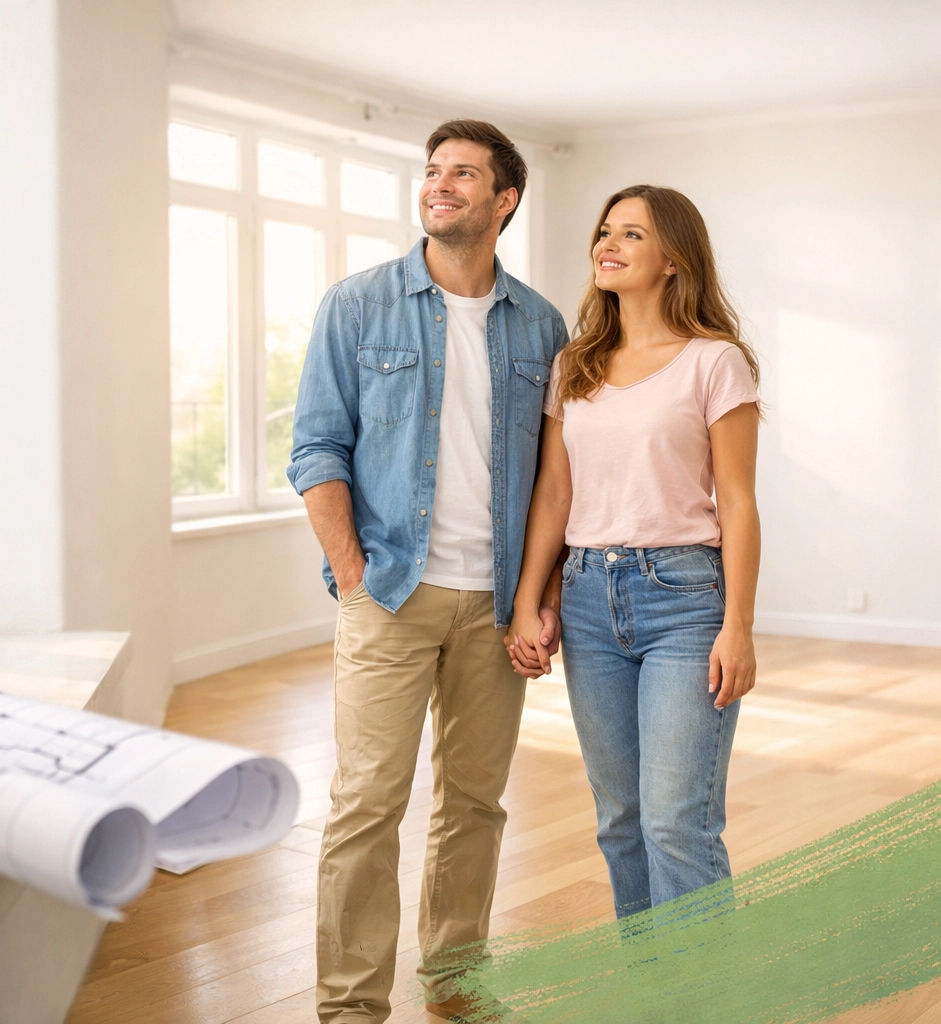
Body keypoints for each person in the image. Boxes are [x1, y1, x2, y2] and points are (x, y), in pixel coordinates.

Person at [287, 119, 567, 1023]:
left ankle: (456, 982)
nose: (440, 184)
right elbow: (315, 448)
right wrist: (354, 575)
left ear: (505, 200)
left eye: (464, 174)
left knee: (475, 804)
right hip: (391, 593)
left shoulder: (543, 325)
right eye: (433, 171)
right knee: (367, 803)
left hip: (496, 604)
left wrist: (540, 600)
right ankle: (350, 1007)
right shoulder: (358, 305)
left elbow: (559, 479)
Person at [506, 184, 761, 919]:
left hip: (684, 598)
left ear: (674, 259)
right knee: (620, 821)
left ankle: (701, 981)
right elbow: (555, 495)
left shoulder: (714, 362)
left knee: (676, 824)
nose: (607, 245)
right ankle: (649, 974)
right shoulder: (576, 364)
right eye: (605, 231)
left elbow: (738, 502)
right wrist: (529, 601)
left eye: (632, 234)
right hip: (589, 597)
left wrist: (738, 627)